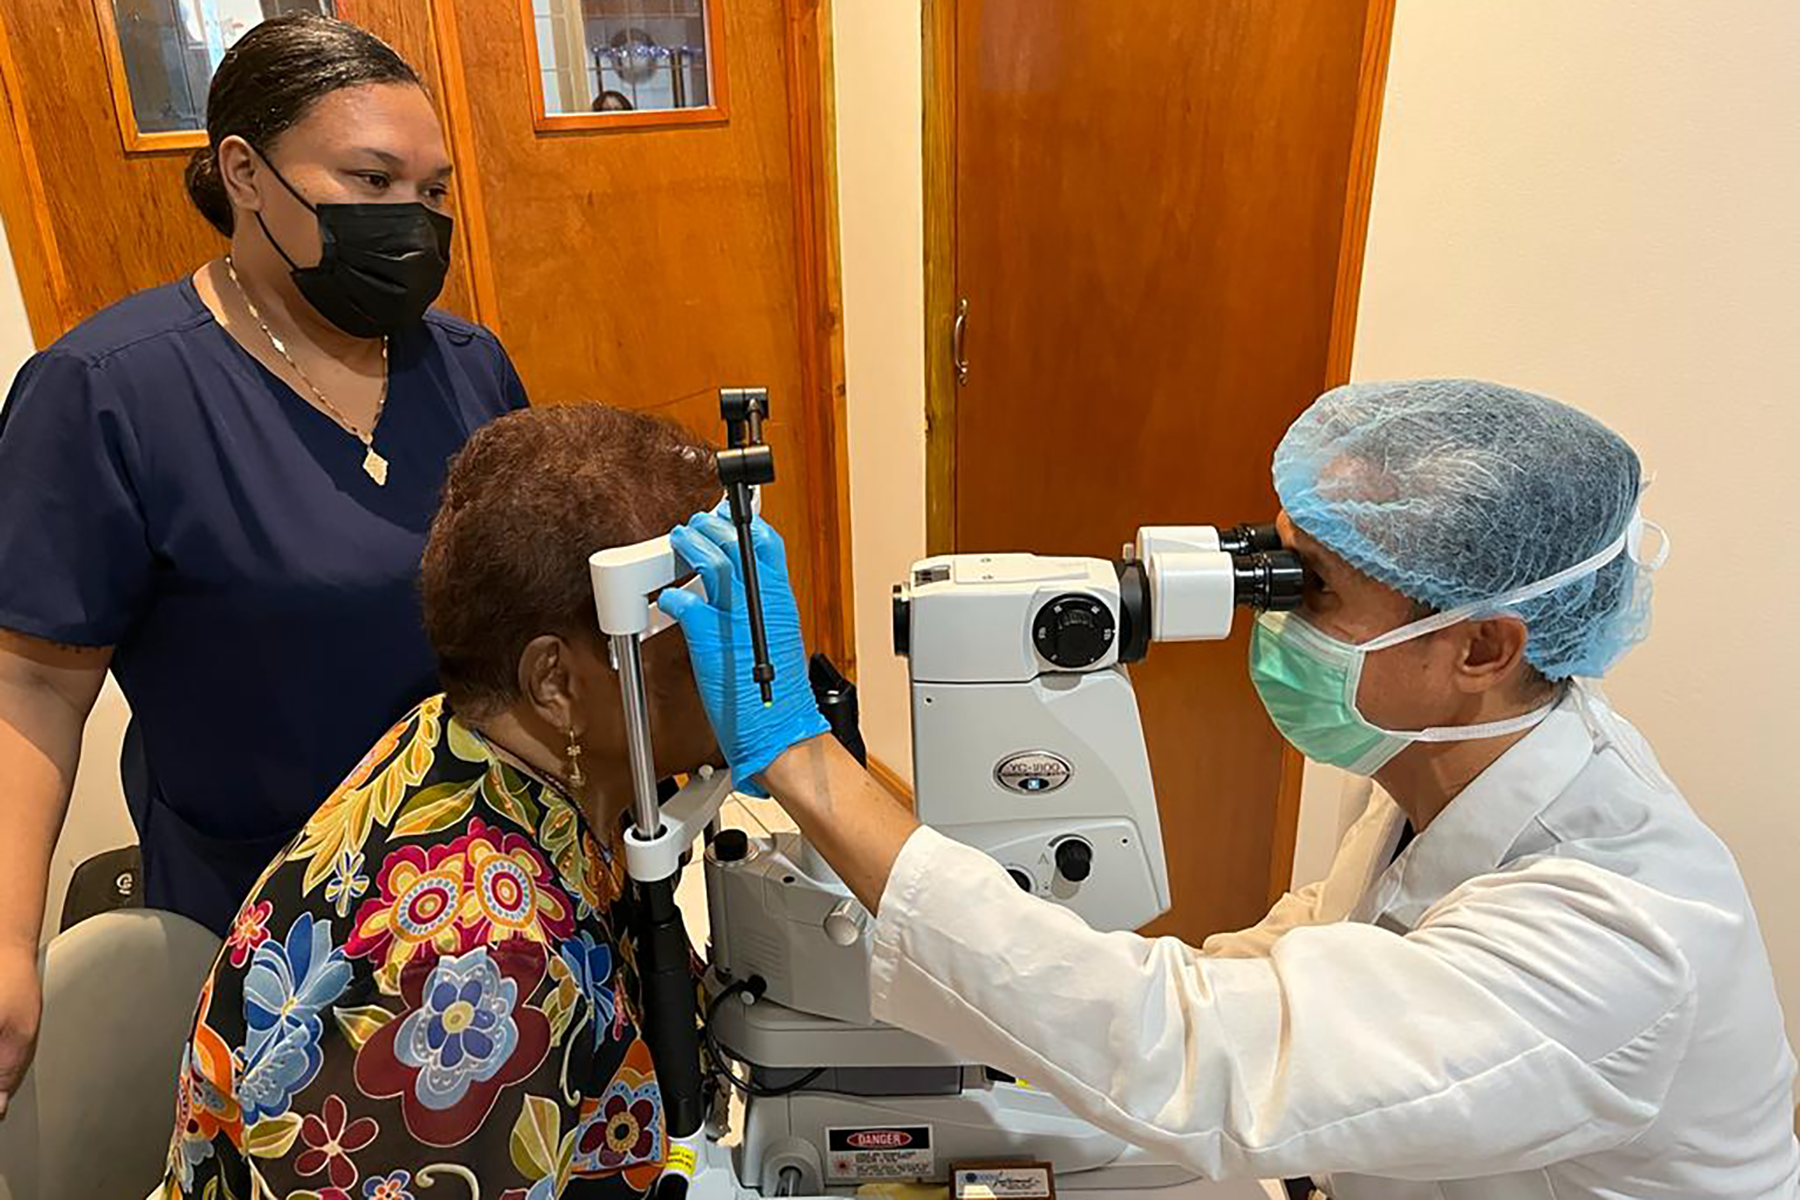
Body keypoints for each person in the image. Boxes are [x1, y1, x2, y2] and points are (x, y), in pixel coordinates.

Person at [659, 379, 1800, 1198]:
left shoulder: (1620, 937)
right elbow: (1311, 950)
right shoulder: (1443, 763)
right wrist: (1080, 993)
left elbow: (1208, 1063)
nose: (1274, 616)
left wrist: (806, 761)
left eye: (1314, 587)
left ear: (1481, 647)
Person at [0, 15, 528, 1116]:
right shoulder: (109, 393)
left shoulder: (469, 368)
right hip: (263, 923)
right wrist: (5, 939)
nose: (413, 219)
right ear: (245, 172)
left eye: (432, 191)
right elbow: (33, 686)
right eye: (371, 181)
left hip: (482, 896)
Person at [161, 404, 721, 1198]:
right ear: (557, 682)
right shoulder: (483, 968)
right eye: (697, 634)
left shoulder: (478, 745)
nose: (744, 663)